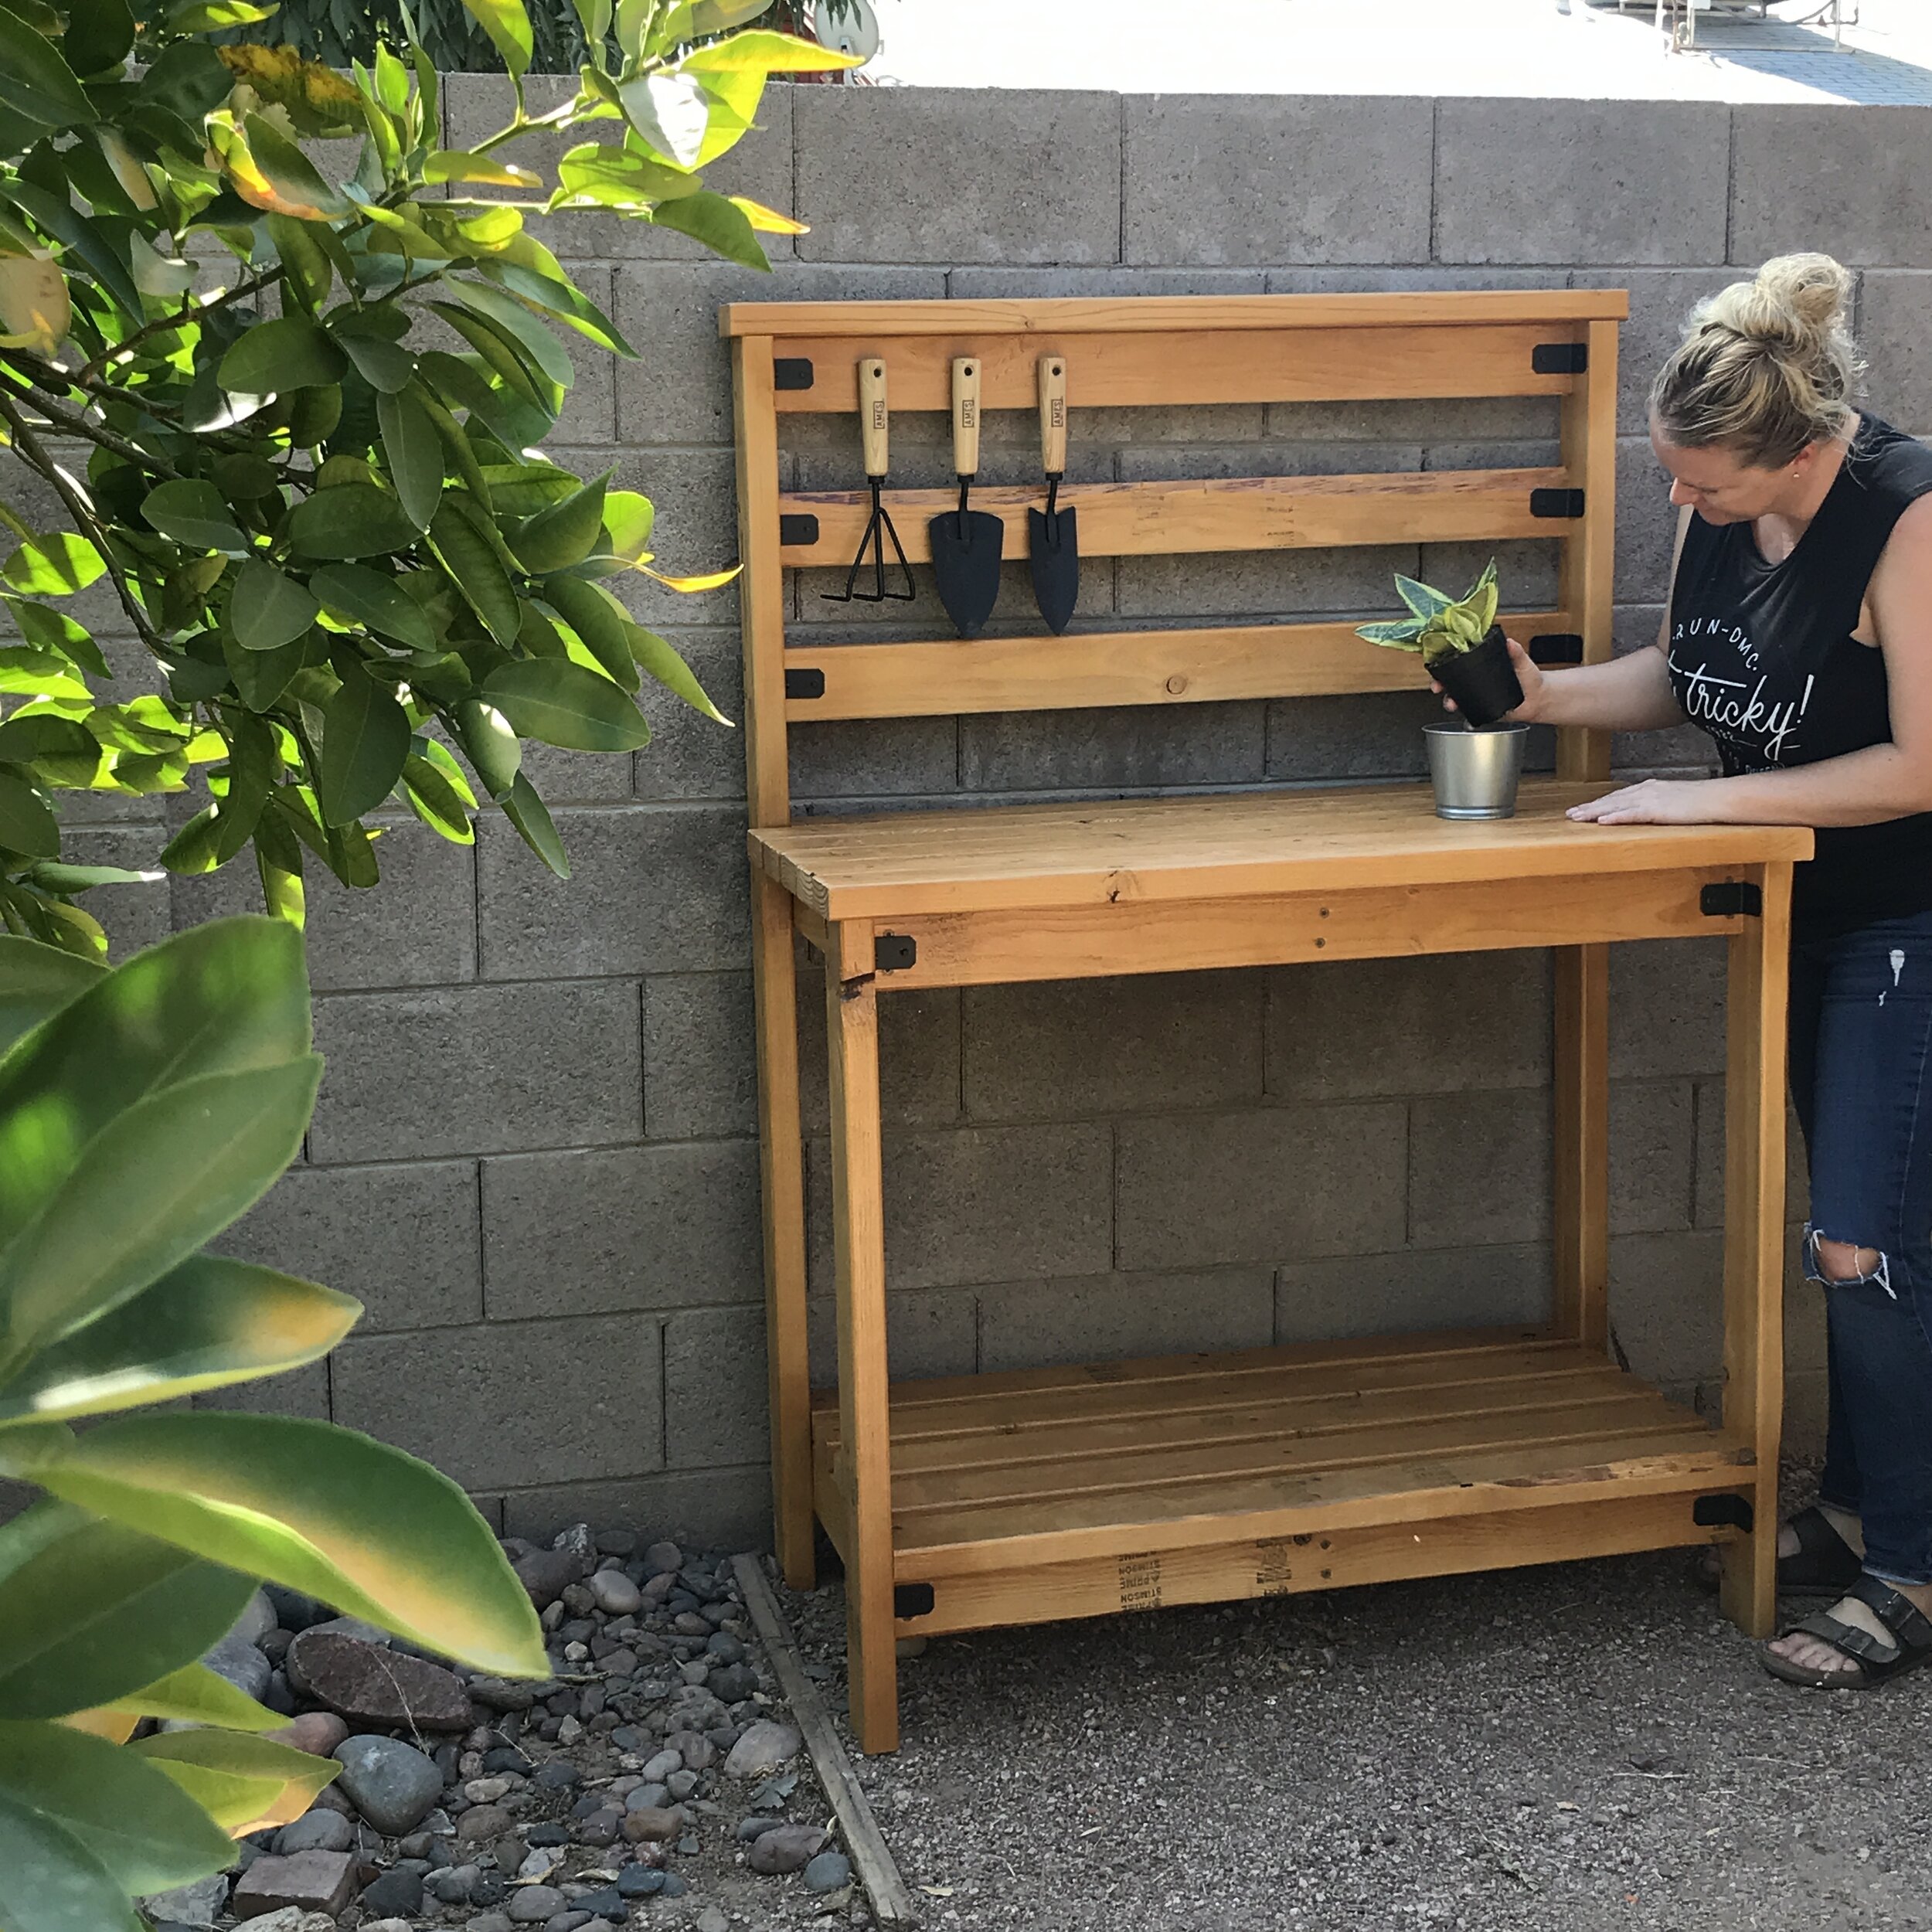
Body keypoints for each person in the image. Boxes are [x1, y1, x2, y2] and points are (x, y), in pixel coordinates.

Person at [1441, 252, 1932, 1689]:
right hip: (1801, 903)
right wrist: (1544, 699)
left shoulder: (1907, 518)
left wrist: (1697, 804)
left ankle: (1911, 1570)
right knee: (1859, 1238)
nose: (1679, 501)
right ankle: (1861, 1511)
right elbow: (1688, 672)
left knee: (1864, 1246)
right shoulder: (1719, 509)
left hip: (1909, 917)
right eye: (1673, 475)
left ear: (1801, 453)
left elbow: (1923, 764)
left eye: (1703, 483)